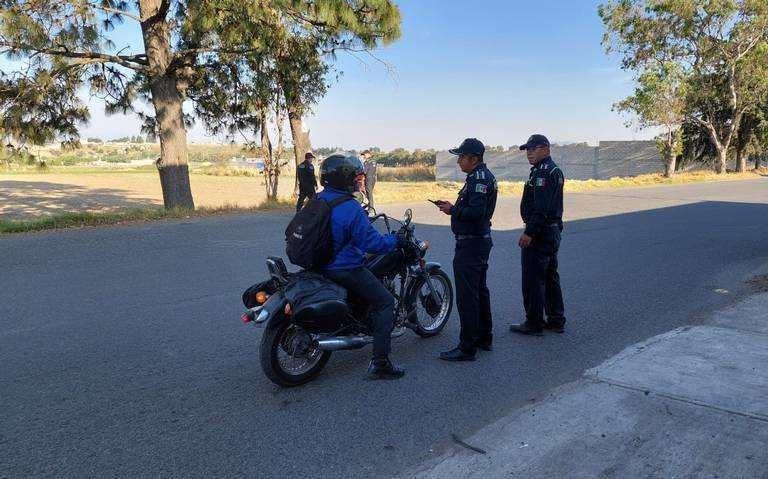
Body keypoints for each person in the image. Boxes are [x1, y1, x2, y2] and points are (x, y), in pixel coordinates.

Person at [318, 154, 407, 380]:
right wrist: (395, 240)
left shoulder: (318, 200)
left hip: (319, 264)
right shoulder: (350, 207)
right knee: (385, 301)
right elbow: (373, 244)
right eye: (356, 176)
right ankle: (381, 363)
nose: (359, 180)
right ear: (344, 178)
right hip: (344, 267)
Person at [434, 138, 497, 361]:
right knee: (479, 291)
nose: (459, 161)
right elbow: (472, 208)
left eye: (462, 157)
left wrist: (454, 210)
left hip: (471, 244)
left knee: (468, 296)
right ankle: (484, 337)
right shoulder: (478, 177)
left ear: (474, 158)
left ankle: (467, 347)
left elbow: (477, 213)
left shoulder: (478, 179)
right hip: (476, 242)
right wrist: (454, 209)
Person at [510, 134, 566, 336]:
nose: (529, 153)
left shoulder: (543, 172)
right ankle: (556, 319)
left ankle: (534, 323)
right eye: (527, 149)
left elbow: (541, 208)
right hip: (551, 230)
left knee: (534, 279)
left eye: (533, 149)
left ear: (546, 149)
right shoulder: (552, 170)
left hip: (540, 232)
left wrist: (529, 232)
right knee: (550, 277)